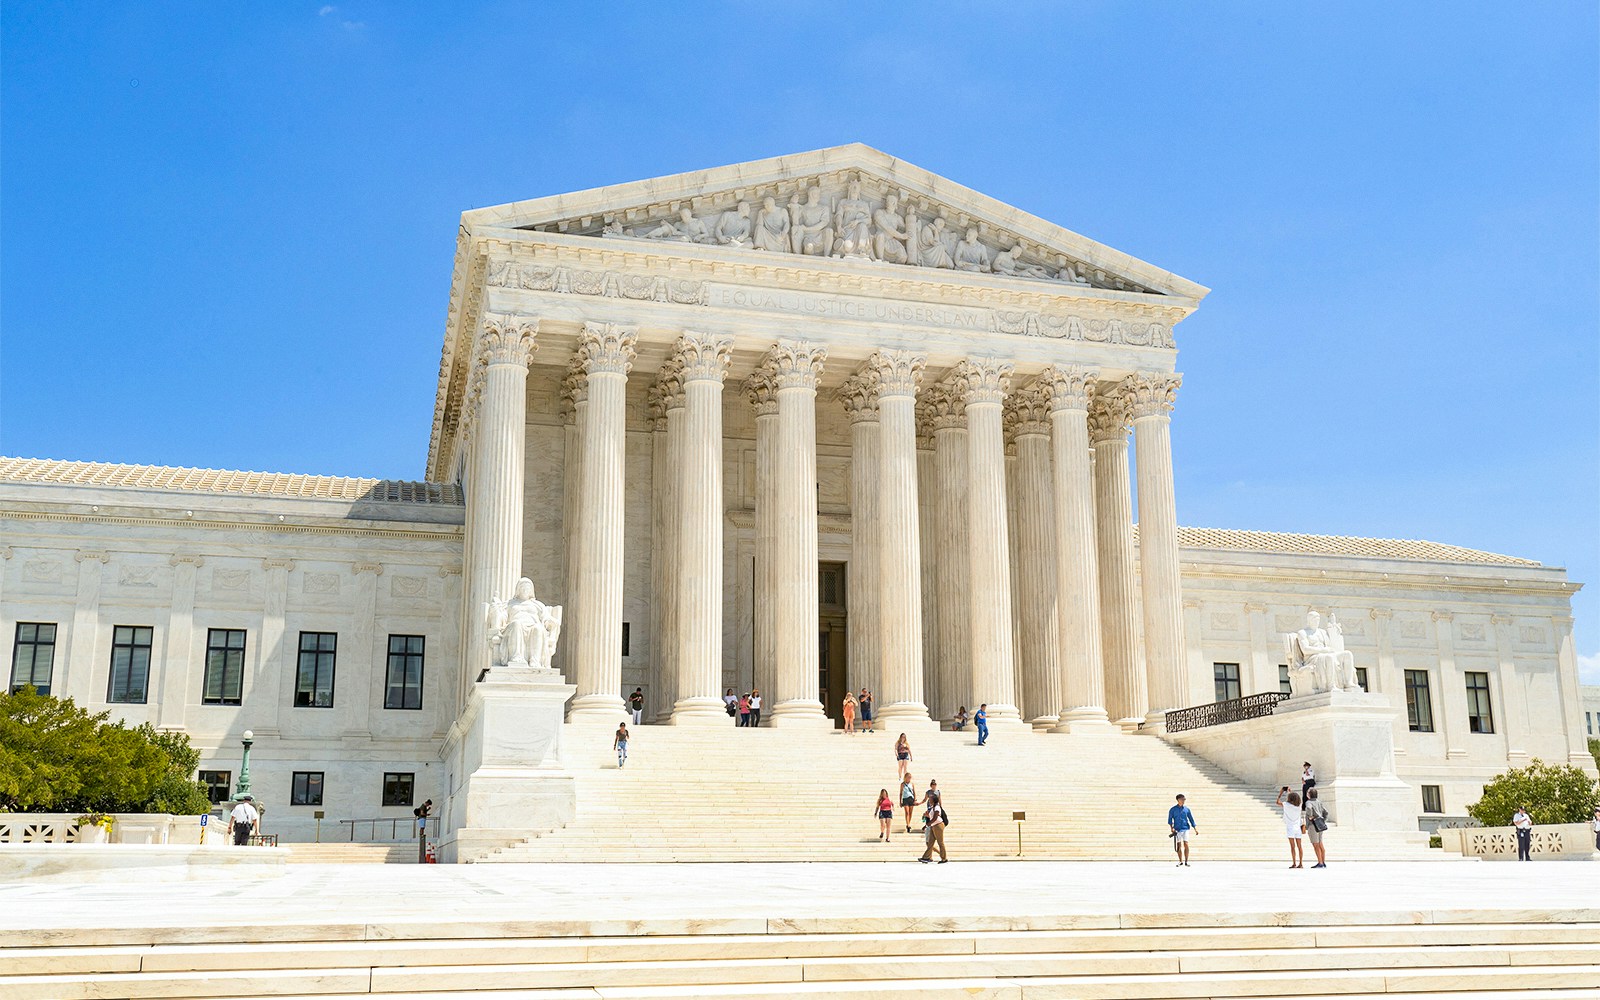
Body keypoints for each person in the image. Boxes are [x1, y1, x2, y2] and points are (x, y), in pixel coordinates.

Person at [918, 786, 948, 863]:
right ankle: (926, 857)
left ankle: (944, 858)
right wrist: (926, 824)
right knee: (930, 843)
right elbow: (932, 817)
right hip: (934, 826)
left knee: (940, 842)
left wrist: (928, 824)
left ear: (933, 800)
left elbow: (935, 818)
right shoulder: (932, 807)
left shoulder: (937, 807)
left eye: (930, 799)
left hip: (938, 825)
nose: (929, 800)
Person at [1277, 787, 1305, 868]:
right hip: (1298, 828)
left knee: (1292, 847)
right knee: (1299, 846)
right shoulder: (1299, 805)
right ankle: (1301, 863)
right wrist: (1290, 792)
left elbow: (1277, 802)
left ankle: (1294, 863)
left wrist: (1280, 794)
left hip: (1290, 828)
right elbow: (1294, 798)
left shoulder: (1286, 805)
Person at [1303, 787, 1330, 868]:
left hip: (1312, 825)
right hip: (1319, 825)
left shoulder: (1308, 802)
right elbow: (1326, 812)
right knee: (1320, 843)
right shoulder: (1319, 802)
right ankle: (1323, 862)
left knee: (1316, 844)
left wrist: (1311, 816)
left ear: (1309, 794)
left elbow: (1308, 808)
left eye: (1308, 792)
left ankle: (1320, 862)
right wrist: (1323, 820)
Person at [1167, 794, 1196, 866]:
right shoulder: (1173, 809)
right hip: (1177, 829)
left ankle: (1186, 861)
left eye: (1184, 799)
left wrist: (1195, 828)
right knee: (1179, 845)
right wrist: (1171, 828)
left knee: (1186, 843)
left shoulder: (1187, 809)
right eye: (1183, 799)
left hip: (1185, 828)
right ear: (1178, 800)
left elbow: (1191, 819)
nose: (1184, 801)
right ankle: (1180, 861)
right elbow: (1170, 819)